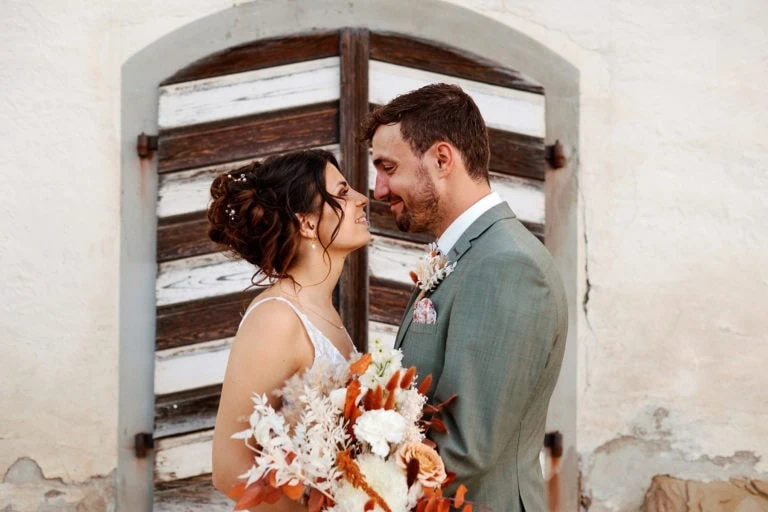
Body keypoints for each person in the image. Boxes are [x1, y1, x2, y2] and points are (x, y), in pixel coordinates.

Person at [363, 83, 568, 512]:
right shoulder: (468, 252)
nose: (378, 190)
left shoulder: (506, 265)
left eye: (388, 167)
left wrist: (353, 483)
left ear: (441, 159)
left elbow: (467, 447)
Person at [208, 149, 370, 508]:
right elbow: (229, 468)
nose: (362, 199)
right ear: (308, 223)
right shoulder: (277, 319)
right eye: (343, 193)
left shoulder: (325, 312)